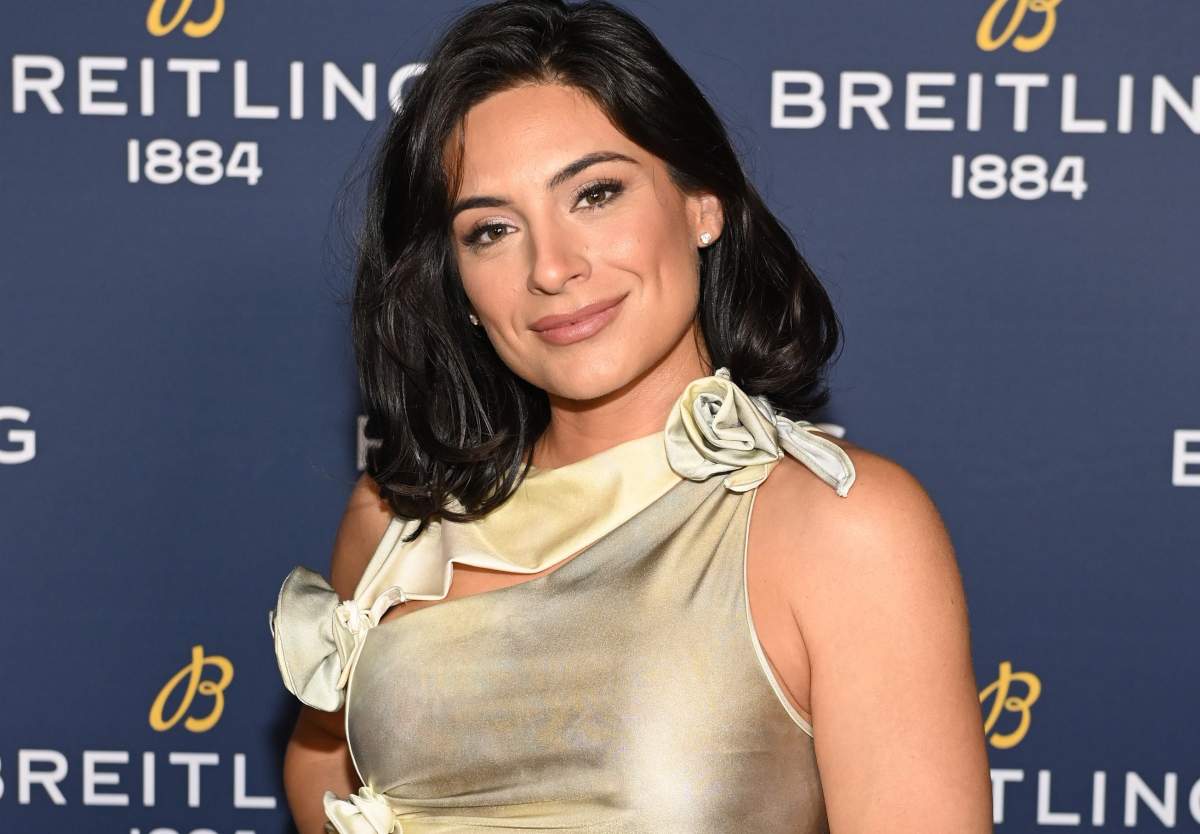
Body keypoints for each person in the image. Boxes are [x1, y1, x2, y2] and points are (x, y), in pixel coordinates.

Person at [269, 1, 993, 831]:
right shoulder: (396, 522)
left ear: (702, 204)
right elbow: (321, 770)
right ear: (457, 284)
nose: (552, 268)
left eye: (596, 193)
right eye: (492, 230)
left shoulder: (842, 528)